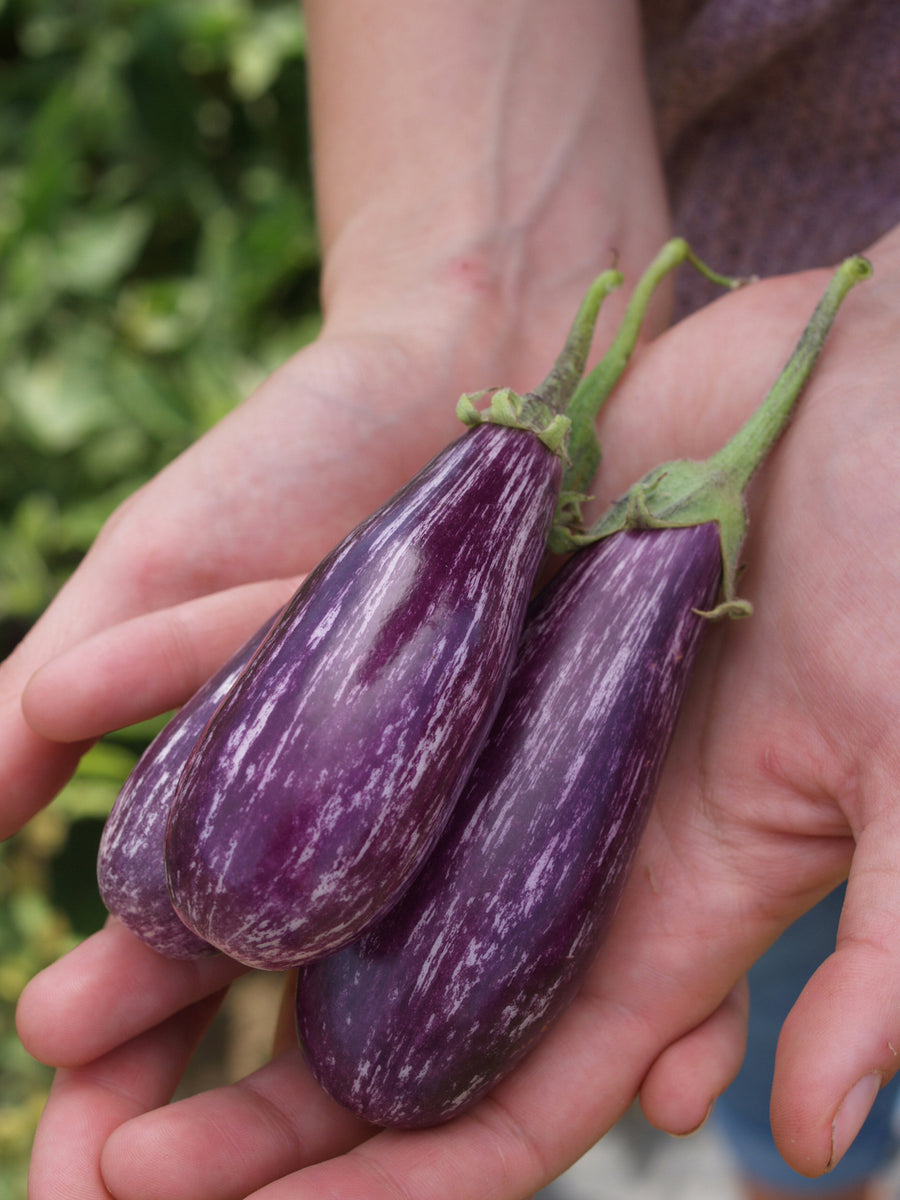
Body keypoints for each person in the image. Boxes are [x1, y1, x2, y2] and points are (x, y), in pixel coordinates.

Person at [9, 1, 900, 1198]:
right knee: (763, 1034)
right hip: (679, 237)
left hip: (814, 667)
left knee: (788, 987)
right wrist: (476, 254)